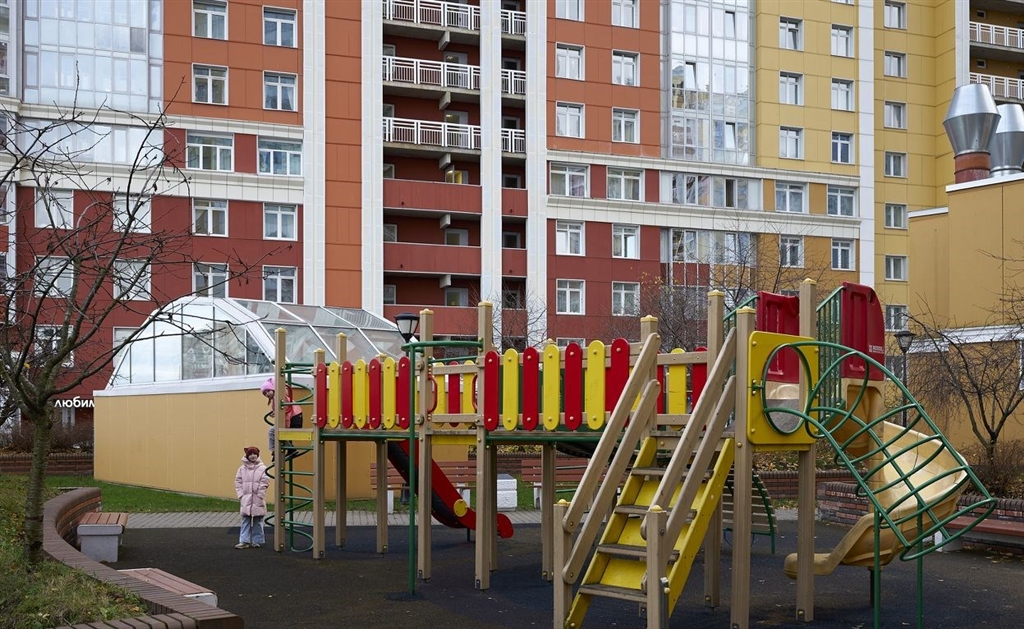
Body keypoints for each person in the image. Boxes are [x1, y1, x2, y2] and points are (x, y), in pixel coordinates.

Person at [234, 446, 270, 549]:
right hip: (246, 498)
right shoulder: (242, 469)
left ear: (258, 455)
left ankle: (256, 540)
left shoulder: (262, 468)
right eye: (250, 454)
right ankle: (244, 541)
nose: (253, 456)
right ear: (247, 456)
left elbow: (265, 482)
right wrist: (241, 495)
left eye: (255, 454)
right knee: (246, 520)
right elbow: (238, 482)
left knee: (258, 520)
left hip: (258, 498)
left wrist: (260, 494)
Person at [261, 376, 303, 458]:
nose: (267, 394)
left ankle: (276, 451)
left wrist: (284, 427)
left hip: (294, 420)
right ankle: (289, 449)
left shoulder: (280, 397)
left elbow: (286, 413)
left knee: (273, 431)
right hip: (295, 418)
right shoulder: (277, 398)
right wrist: (275, 413)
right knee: (276, 432)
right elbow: (282, 411)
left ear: (274, 389)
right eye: (265, 393)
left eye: (268, 391)